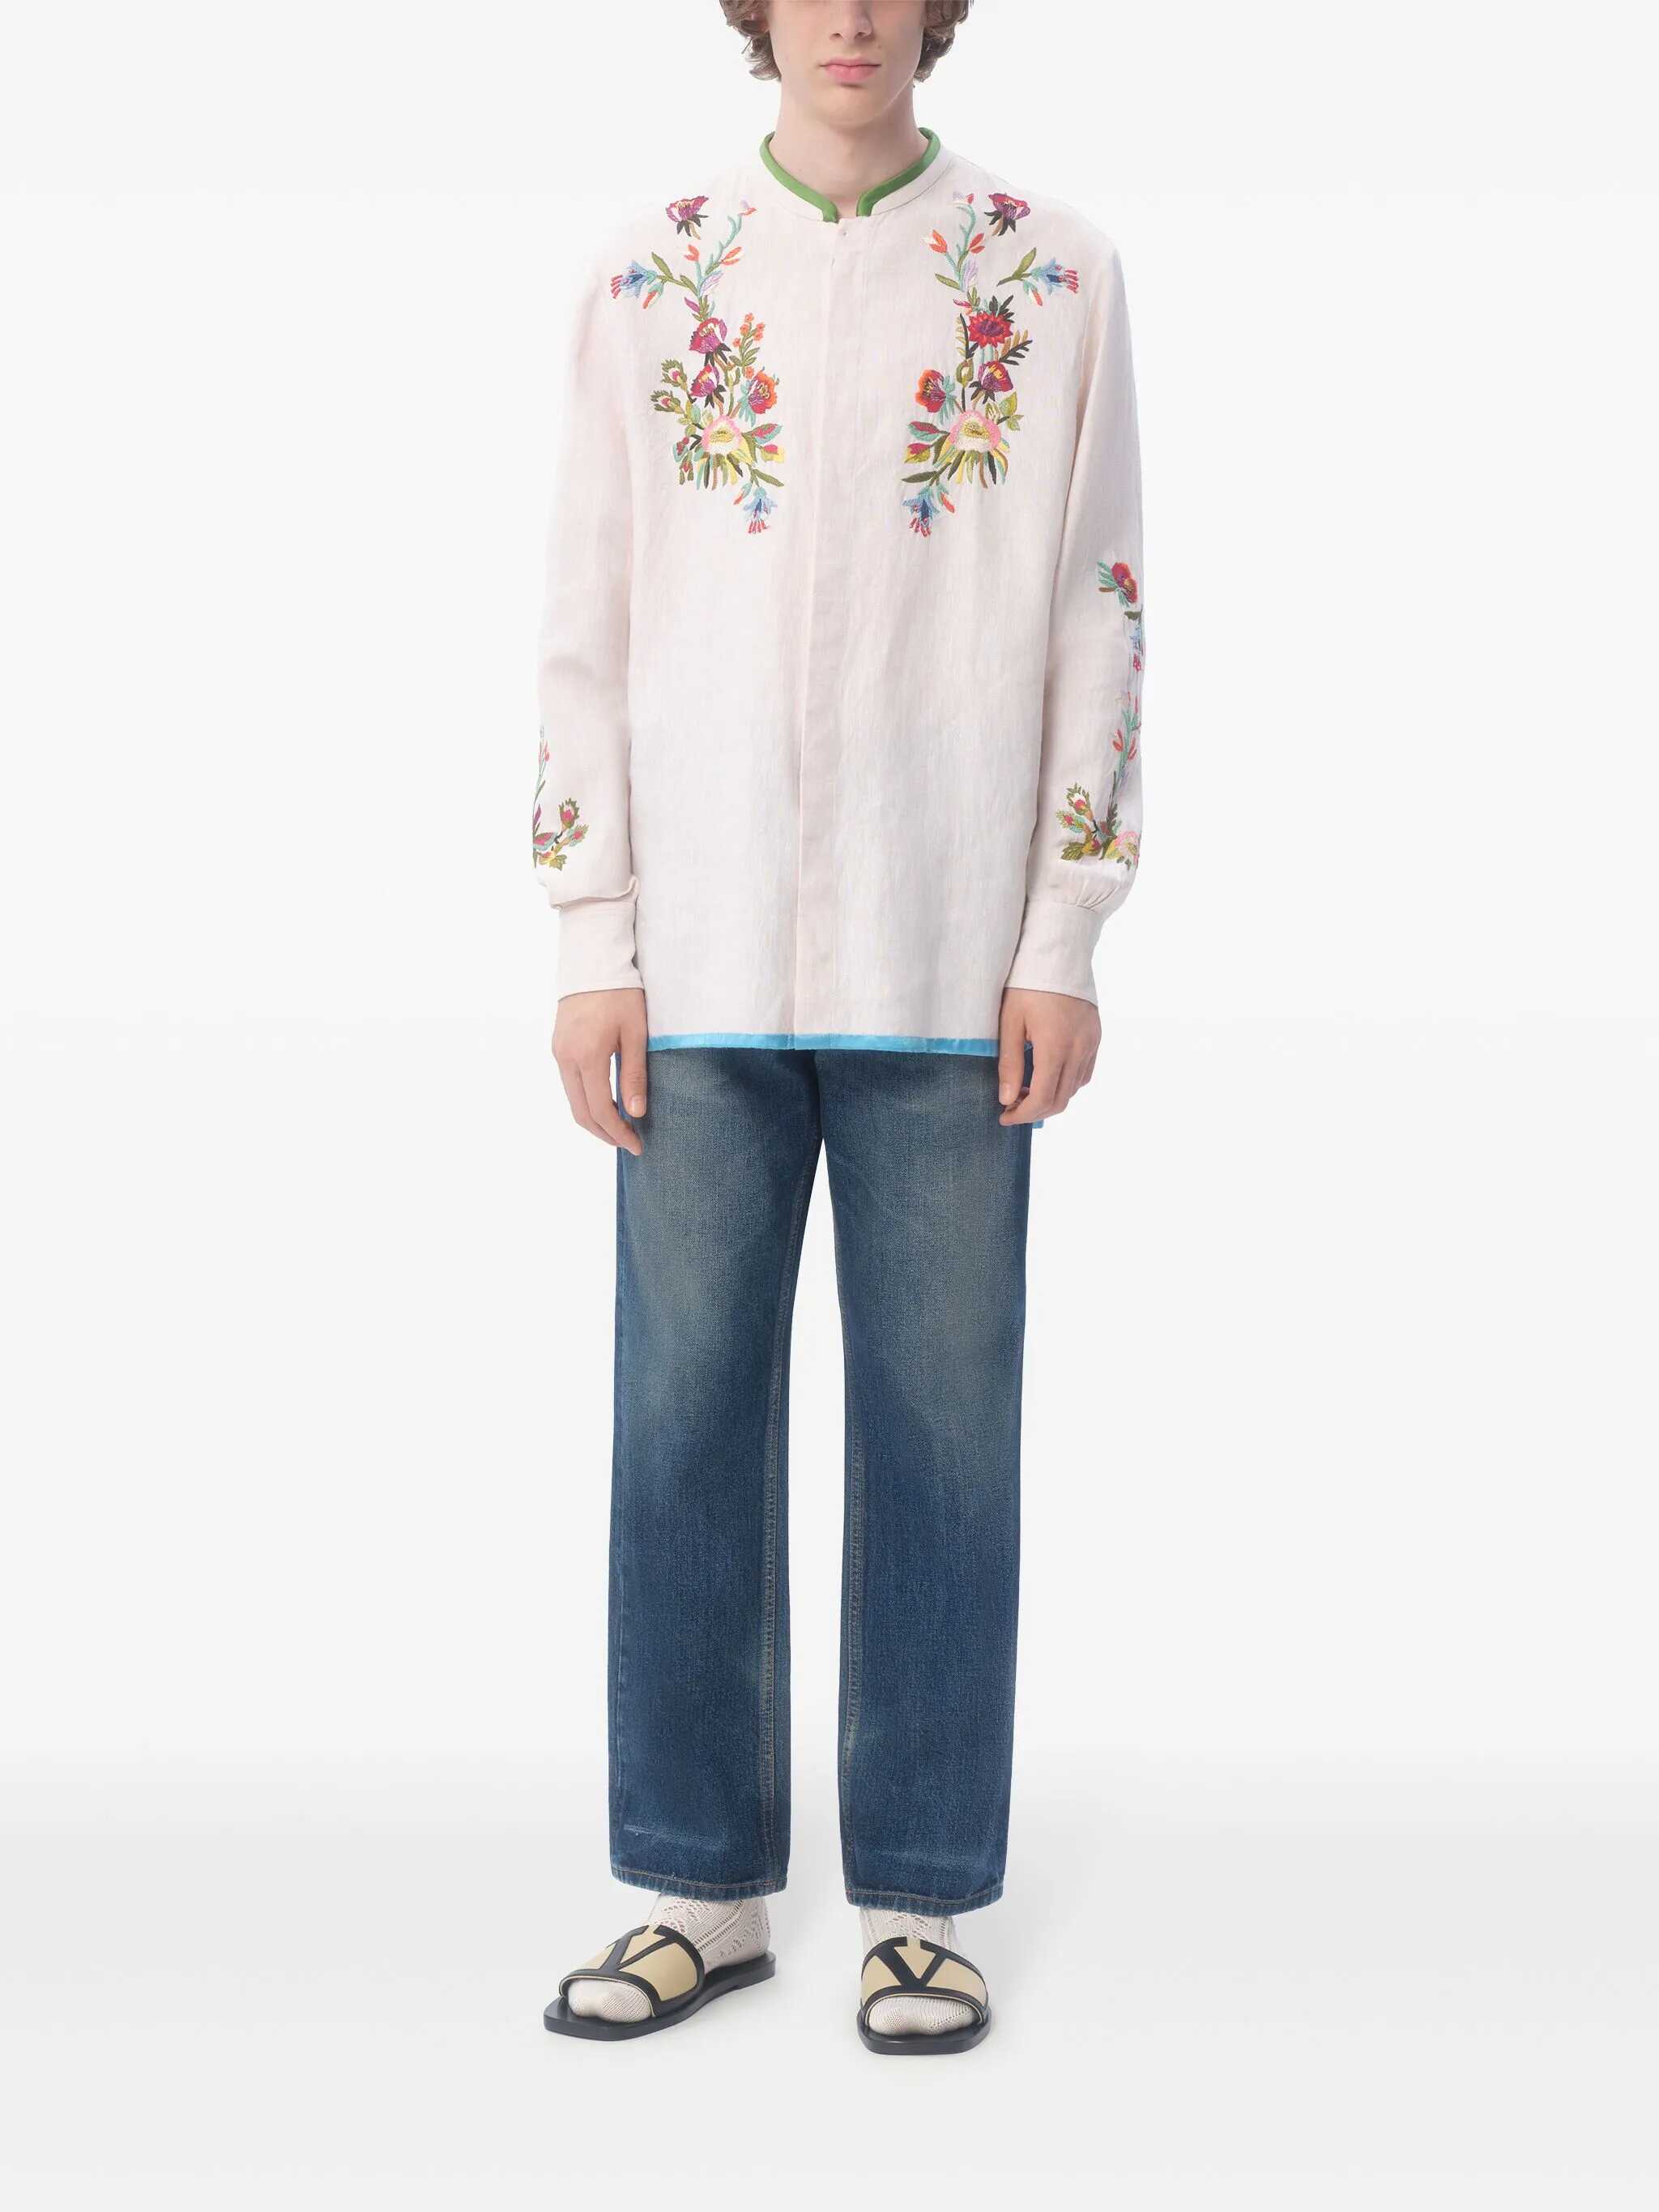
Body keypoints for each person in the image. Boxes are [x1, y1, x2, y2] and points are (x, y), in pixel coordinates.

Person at [536, 0, 1144, 2053]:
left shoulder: (1052, 276)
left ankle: (922, 1901)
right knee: (680, 1421)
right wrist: (592, 931)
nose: (855, 13)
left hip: (949, 950)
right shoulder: (651, 277)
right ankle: (696, 1886)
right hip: (693, 957)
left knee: (944, 1434)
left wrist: (1062, 927)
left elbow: (1099, 605)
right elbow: (584, 618)